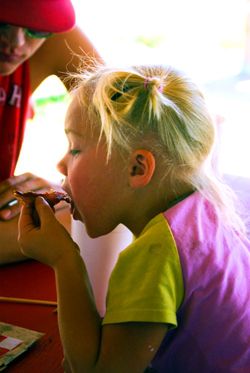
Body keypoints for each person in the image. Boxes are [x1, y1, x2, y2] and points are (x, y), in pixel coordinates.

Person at [17, 63, 250, 372]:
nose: (60, 164)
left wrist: (64, 259)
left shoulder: (155, 256)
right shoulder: (203, 209)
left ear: (138, 168)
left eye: (75, 149)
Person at [0, 0, 102, 263]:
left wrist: (68, 189)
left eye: (36, 28)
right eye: (2, 23)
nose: (16, 42)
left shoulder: (56, 39)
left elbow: (123, 127)